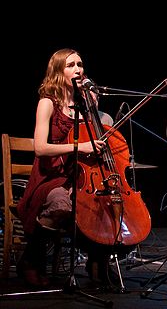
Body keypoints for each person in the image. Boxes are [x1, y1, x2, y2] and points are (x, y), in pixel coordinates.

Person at [16, 48, 116, 287]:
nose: (78, 69)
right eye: (71, 65)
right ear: (58, 72)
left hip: (81, 176)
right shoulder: (47, 103)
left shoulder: (87, 104)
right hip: (50, 176)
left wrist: (93, 106)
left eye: (80, 64)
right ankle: (30, 260)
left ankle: (97, 262)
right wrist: (80, 148)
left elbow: (96, 141)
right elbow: (40, 148)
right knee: (62, 204)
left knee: (105, 201)